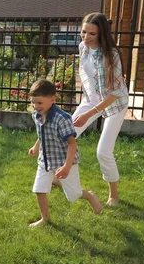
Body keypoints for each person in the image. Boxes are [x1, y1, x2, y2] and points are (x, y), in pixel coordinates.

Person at [69, 12, 129, 207]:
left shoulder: (111, 55)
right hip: (91, 99)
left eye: (91, 34)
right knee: (66, 134)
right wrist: (87, 108)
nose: (86, 37)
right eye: (83, 32)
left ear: (101, 34)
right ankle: (58, 177)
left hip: (114, 103)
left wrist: (89, 113)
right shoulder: (83, 48)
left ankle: (114, 194)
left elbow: (115, 93)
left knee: (103, 152)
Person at [28, 79, 102, 227]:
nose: (36, 107)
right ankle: (45, 218)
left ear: (53, 99)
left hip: (65, 161)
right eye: (33, 103)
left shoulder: (62, 119)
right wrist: (36, 147)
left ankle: (89, 196)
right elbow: (42, 133)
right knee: (39, 190)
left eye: (39, 103)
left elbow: (72, 144)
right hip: (45, 161)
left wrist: (67, 167)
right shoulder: (36, 115)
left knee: (73, 196)